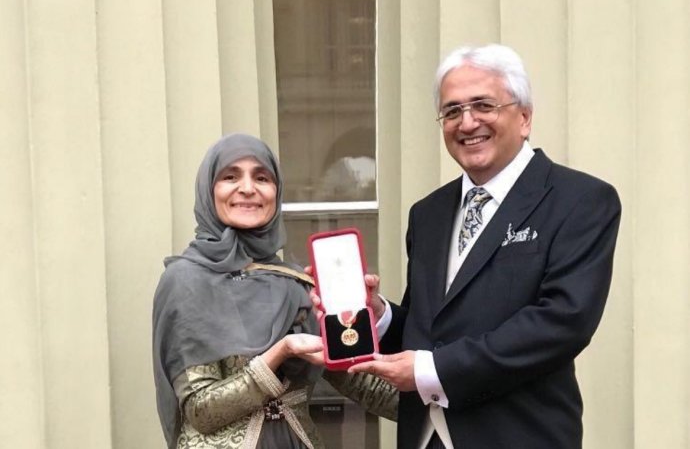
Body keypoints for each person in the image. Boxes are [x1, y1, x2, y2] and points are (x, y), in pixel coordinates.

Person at [347, 44, 622, 449]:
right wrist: (382, 317)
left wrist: (431, 370)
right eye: (452, 111)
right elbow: (433, 331)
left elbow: (562, 322)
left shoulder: (580, 200)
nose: (467, 122)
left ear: (524, 117)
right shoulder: (429, 213)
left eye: (483, 106)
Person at [152, 134, 396, 449]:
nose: (248, 188)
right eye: (230, 176)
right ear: (208, 190)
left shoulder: (293, 283)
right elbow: (201, 411)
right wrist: (280, 351)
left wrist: (440, 386)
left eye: (262, 177)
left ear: (275, 192)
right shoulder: (185, 281)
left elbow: (361, 383)